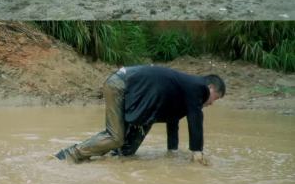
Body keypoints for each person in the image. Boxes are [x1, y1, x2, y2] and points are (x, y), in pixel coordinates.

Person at [54, 65, 225, 165]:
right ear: (209, 88)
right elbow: (195, 117)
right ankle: (67, 156)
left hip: (133, 92)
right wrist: (197, 151)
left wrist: (171, 151)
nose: (211, 104)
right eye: (214, 98)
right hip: (120, 84)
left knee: (126, 153)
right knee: (115, 137)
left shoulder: (184, 92)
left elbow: (173, 121)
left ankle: (102, 160)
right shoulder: (198, 87)